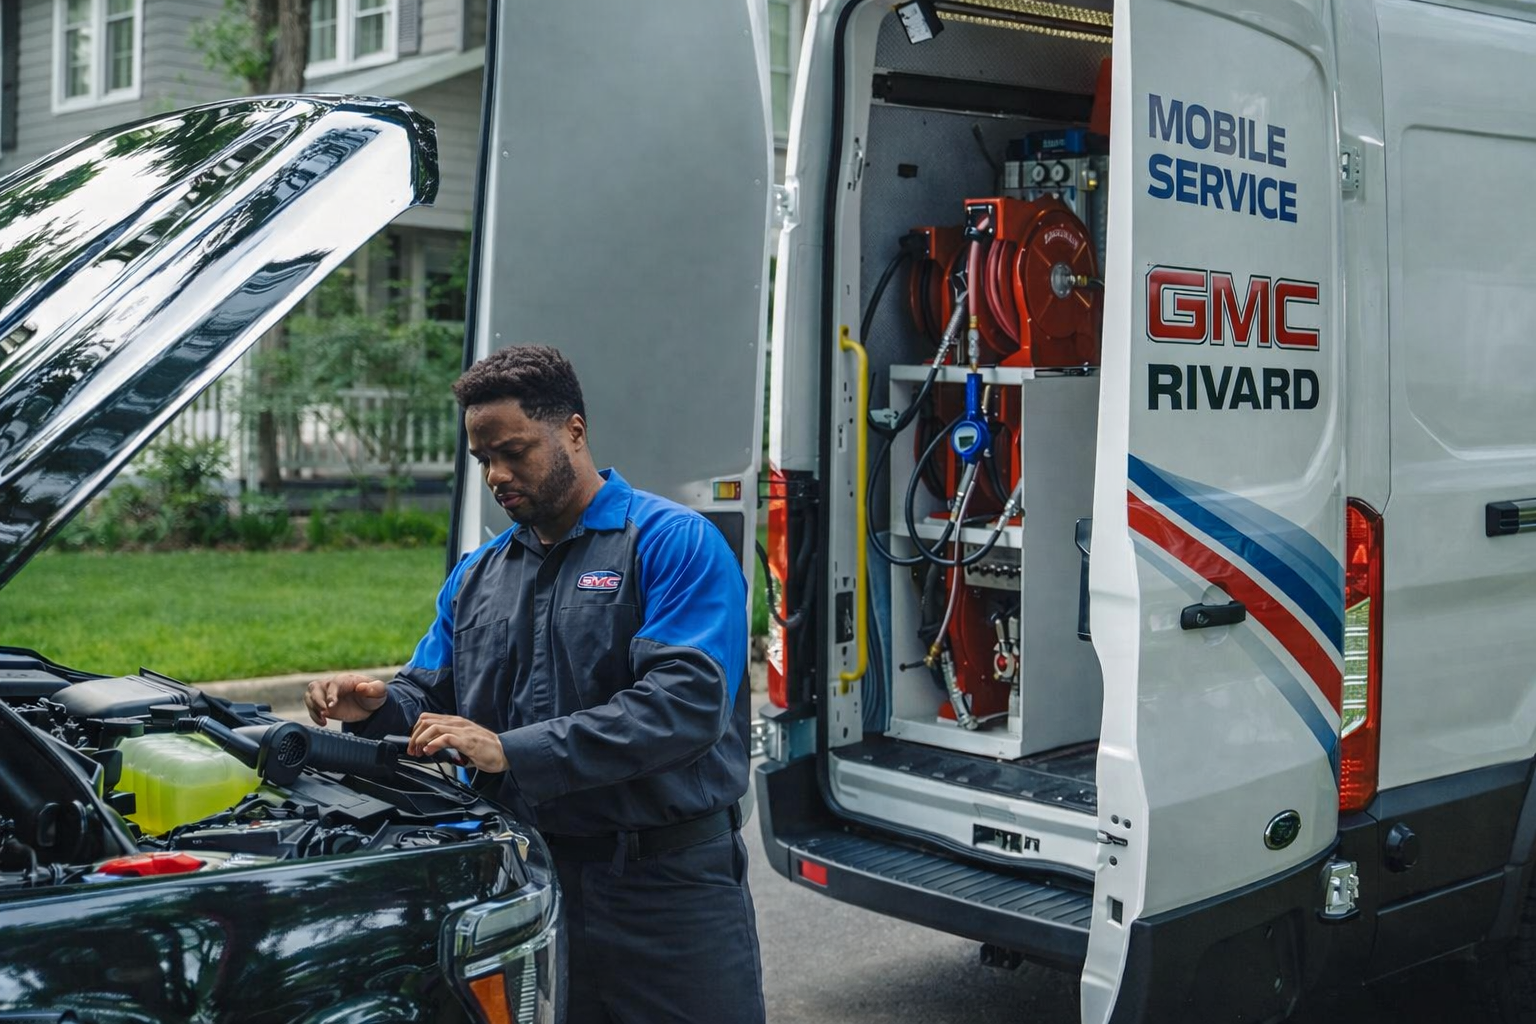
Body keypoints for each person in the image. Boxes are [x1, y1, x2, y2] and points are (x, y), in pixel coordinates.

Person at [303, 344, 765, 1024]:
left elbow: (684, 706)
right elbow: (432, 698)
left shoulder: (673, 543)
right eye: (483, 458)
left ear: (574, 431)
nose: (496, 474)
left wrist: (512, 751)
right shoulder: (477, 575)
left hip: (666, 891)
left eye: (513, 451)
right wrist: (376, 707)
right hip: (530, 880)